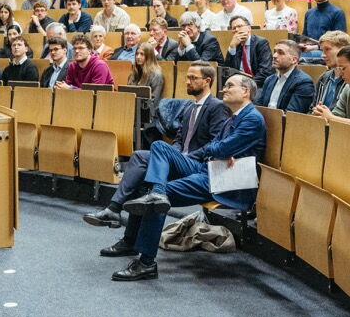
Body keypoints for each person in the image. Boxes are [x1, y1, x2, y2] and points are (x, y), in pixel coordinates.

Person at [111, 74, 266, 282]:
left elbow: (221, 147)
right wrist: (217, 151)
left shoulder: (252, 119)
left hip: (225, 181)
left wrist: (218, 150)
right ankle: (132, 238)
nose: (223, 90)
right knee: (159, 147)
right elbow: (215, 148)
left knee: (158, 197)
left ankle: (146, 263)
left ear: (245, 91)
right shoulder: (233, 116)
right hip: (209, 167)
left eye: (229, 86)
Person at [84, 63, 228, 232]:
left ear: (207, 81)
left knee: (157, 149)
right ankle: (114, 209)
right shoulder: (189, 107)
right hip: (181, 159)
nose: (187, 82)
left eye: (193, 78)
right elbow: (180, 138)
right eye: (187, 77)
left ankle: (152, 196)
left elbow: (215, 143)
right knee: (139, 157)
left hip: (198, 165)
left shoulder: (217, 107)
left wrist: (186, 157)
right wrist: (174, 155)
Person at [257, 41, 315, 112]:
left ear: (294, 60)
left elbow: (292, 115)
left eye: (280, 53)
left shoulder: (303, 82)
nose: (274, 56)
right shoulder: (269, 79)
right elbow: (259, 106)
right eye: (274, 51)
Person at [223, 15, 272, 85]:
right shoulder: (235, 45)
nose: (236, 30)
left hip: (258, 84)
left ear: (249, 28)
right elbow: (227, 71)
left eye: (239, 26)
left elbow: (265, 71)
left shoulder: (261, 43)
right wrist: (232, 47)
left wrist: (249, 85)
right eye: (233, 28)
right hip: (239, 84)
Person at [312, 31, 350, 110]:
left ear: (343, 50)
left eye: (327, 49)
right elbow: (312, 107)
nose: (322, 55)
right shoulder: (324, 77)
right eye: (322, 50)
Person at [128, 41, 164, 112]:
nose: (138, 57)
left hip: (148, 114)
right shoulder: (134, 73)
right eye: (137, 54)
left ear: (149, 57)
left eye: (142, 54)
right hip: (132, 109)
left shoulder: (156, 75)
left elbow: (153, 101)